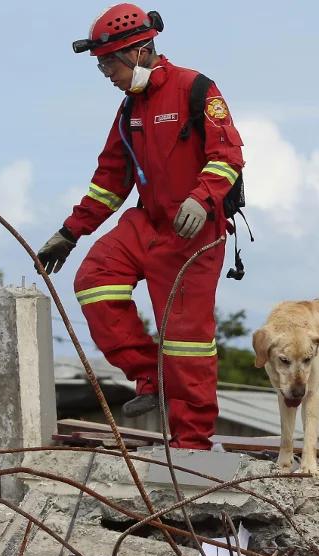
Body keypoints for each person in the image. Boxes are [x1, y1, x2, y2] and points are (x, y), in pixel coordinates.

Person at [35, 4, 245, 450]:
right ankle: (149, 375)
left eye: (109, 63)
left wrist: (202, 198)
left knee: (186, 341)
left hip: (194, 234)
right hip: (146, 222)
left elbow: (228, 157)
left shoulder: (197, 88)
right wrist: (71, 232)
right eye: (101, 65)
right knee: (94, 281)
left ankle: (193, 444)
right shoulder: (129, 108)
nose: (106, 73)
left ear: (140, 50)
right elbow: (111, 180)